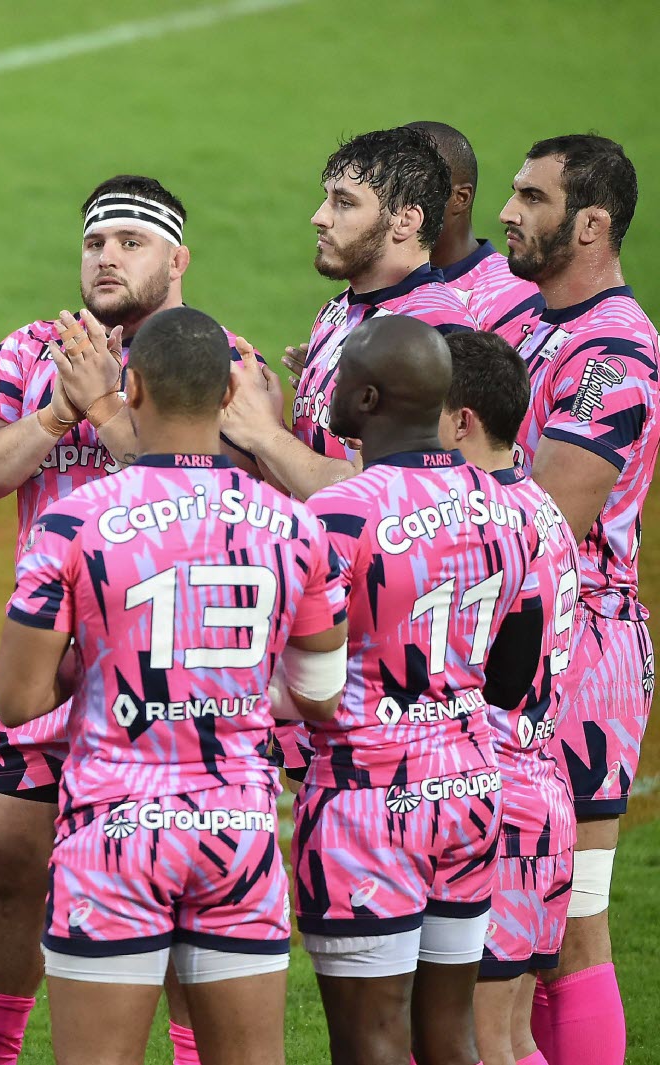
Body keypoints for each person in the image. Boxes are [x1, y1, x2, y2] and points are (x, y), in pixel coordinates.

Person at [0, 173, 257, 1065]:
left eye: (130, 241)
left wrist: (110, 415)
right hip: (47, 666)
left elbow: (238, 500)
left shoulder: (222, 361)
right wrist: (54, 411)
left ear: (178, 258)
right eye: (94, 242)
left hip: (177, 675)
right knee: (9, 864)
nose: (106, 257)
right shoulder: (32, 352)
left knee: (188, 885)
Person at [0, 306, 347, 1065]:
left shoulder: (72, 522)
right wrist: (233, 687)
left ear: (133, 389)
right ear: (230, 397)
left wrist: (102, 661)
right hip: (238, 831)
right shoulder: (296, 526)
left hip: (113, 830)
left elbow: (17, 702)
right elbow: (321, 694)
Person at [295, 315, 537, 1064]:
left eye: (340, 379)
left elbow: (314, 685)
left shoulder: (337, 513)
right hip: (470, 792)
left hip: (364, 803)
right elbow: (512, 676)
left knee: (370, 1043)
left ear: (368, 399)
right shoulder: (512, 504)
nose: (329, 389)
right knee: (451, 1039)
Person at [500, 133, 657, 1065]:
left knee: (566, 924)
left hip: (580, 645)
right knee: (520, 924)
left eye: (533, 197)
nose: (509, 212)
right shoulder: (534, 322)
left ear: (591, 224)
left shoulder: (614, 349)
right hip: (527, 633)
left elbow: (556, 506)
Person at [439, 330, 578, 1065]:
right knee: (512, 1038)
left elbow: (494, 673)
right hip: (541, 797)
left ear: (461, 421)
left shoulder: (481, 524)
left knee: (476, 1040)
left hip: (495, 802)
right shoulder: (537, 505)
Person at [221, 126, 478, 500]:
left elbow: (380, 496)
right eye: (327, 198)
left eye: (344, 203)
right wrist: (265, 418)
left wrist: (264, 433)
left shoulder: (433, 332)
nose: (319, 217)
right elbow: (301, 486)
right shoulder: (338, 312)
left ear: (405, 221)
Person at [406, 121, 544, 343]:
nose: (389, 206)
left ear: (459, 198)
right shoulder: (378, 280)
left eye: (408, 190)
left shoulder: (513, 300)